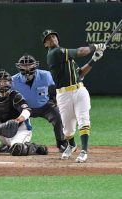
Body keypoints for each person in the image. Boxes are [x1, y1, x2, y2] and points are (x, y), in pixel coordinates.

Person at [41, 29, 105, 163]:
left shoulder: (66, 58)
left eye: (53, 36)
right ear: (45, 44)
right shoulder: (55, 53)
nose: (52, 38)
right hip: (63, 95)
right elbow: (81, 51)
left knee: (83, 119)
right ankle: (71, 145)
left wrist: (94, 59)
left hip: (79, 91)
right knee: (68, 129)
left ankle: (84, 151)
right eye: (48, 38)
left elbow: (80, 74)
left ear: (57, 38)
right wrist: (95, 46)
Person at [9, 54, 68, 153]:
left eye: (29, 65)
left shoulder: (45, 75)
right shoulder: (13, 80)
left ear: (34, 65)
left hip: (44, 106)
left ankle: (61, 142)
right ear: (19, 66)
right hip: (23, 109)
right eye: (24, 65)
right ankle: (7, 143)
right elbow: (7, 97)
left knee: (58, 117)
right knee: (9, 120)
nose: (27, 68)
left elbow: (60, 84)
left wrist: (57, 97)